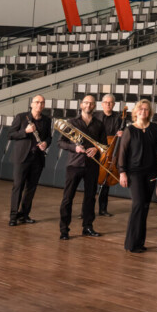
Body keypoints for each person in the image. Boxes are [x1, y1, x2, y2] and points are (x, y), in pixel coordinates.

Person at [114, 100, 157, 254]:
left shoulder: (154, 128)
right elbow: (122, 153)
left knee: (145, 206)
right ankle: (131, 243)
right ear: (136, 111)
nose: (143, 111)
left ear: (150, 112)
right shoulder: (130, 130)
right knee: (138, 204)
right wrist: (122, 172)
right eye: (141, 109)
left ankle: (139, 242)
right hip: (134, 173)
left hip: (151, 172)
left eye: (146, 109)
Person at [58, 97, 104, 240]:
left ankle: (88, 227)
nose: (88, 105)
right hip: (74, 164)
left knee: (90, 198)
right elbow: (61, 142)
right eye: (86, 102)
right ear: (81, 105)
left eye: (91, 103)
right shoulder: (71, 123)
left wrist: (97, 149)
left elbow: (103, 145)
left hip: (92, 164)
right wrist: (74, 147)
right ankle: (64, 230)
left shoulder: (99, 124)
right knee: (68, 198)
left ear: (94, 106)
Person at [7, 95, 50, 227]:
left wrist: (45, 144)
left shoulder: (47, 120)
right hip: (22, 158)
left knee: (31, 188)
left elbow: (49, 137)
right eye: (37, 102)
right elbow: (10, 134)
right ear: (31, 104)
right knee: (18, 187)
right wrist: (25, 131)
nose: (39, 105)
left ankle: (24, 215)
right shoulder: (21, 117)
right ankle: (13, 216)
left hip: (37, 158)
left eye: (42, 103)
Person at [96, 94, 123, 217]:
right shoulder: (96, 116)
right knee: (91, 183)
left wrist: (123, 132)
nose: (108, 104)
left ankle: (102, 209)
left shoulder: (119, 118)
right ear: (102, 104)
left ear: (114, 104)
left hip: (110, 153)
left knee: (105, 182)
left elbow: (125, 135)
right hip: (97, 152)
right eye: (106, 102)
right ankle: (86, 210)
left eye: (111, 102)